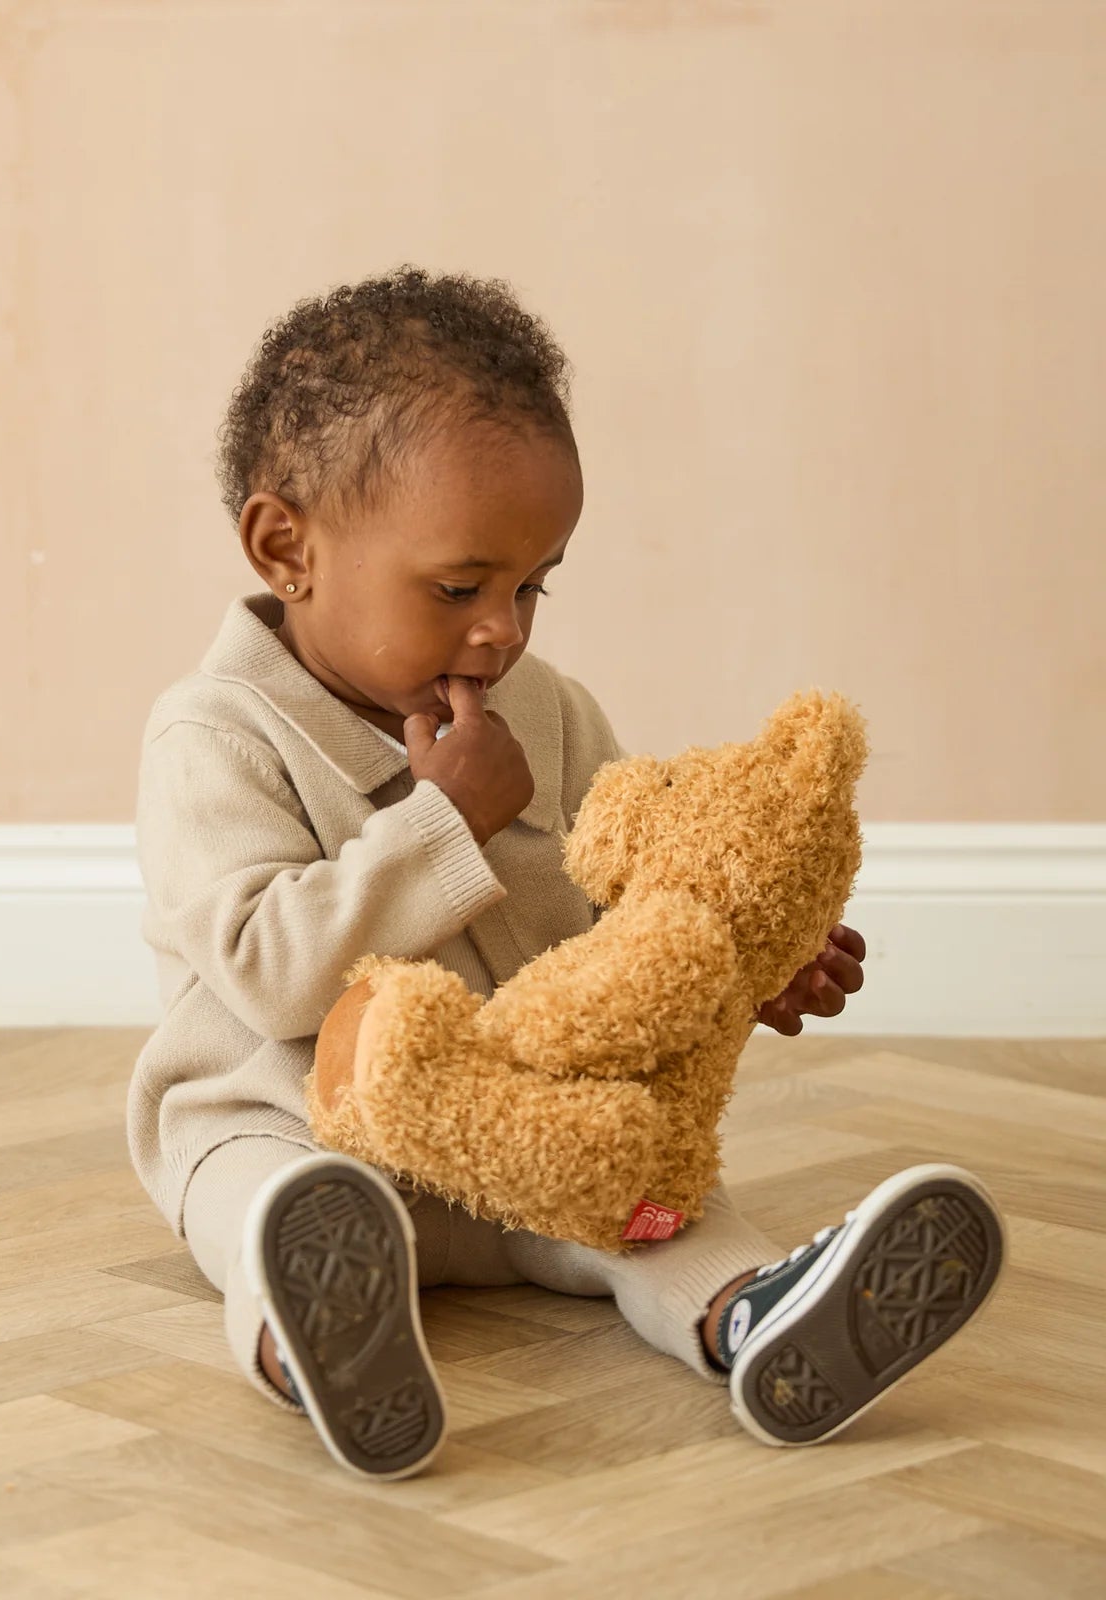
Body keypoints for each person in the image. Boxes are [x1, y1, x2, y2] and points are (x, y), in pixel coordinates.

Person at [128, 265, 1005, 1482]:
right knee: (258, 1196)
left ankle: (752, 1314)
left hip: (514, 1134)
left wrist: (738, 960)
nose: (504, 629)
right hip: (291, 1121)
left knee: (652, 1200)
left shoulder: (542, 711)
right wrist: (445, 824)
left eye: (531, 584)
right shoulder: (214, 737)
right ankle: (317, 1330)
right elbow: (268, 981)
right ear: (288, 548)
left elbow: (627, 914)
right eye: (457, 588)